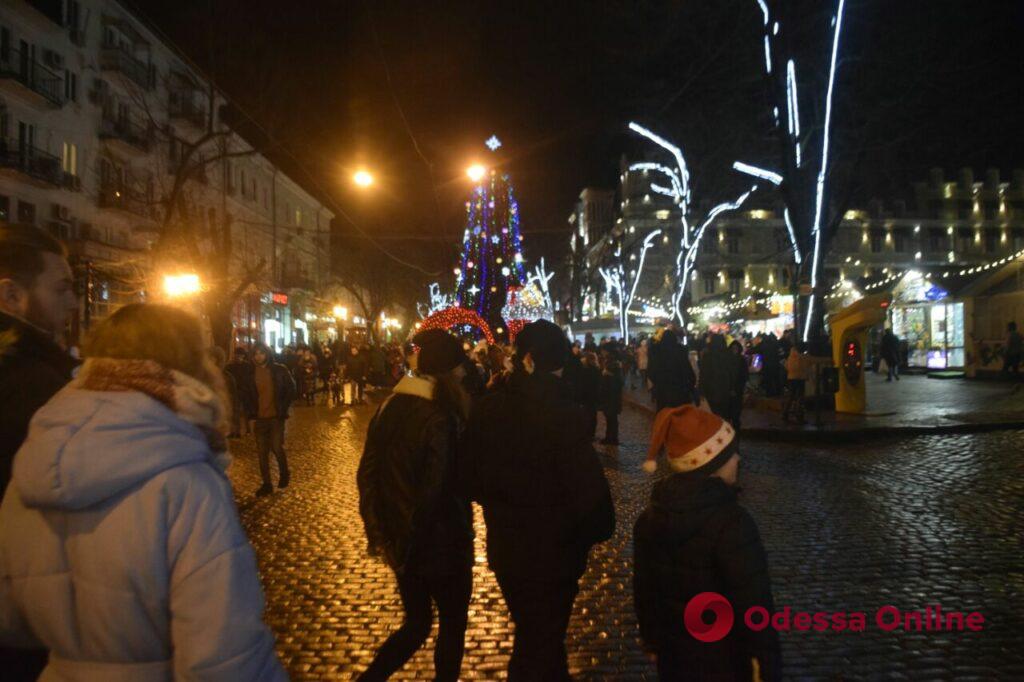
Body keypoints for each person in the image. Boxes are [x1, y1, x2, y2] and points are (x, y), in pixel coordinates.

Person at [0, 303, 286, 680]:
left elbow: (11, 621)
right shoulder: (185, 479)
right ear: (189, 363)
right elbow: (223, 656)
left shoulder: (34, 462)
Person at [460, 320, 615, 680]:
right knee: (541, 642)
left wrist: (503, 498)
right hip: (557, 556)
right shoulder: (565, 416)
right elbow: (592, 499)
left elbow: (466, 478)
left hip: (509, 550)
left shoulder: (488, 409)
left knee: (538, 639)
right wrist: (586, 532)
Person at [357, 330, 474, 681]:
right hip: (440, 543)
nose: (464, 373)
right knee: (451, 627)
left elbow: (368, 475)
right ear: (447, 372)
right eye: (459, 367)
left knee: (418, 624)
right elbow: (435, 490)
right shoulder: (440, 416)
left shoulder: (389, 407)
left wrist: (383, 534)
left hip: (402, 543)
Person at [635, 405, 781, 681]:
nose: (737, 458)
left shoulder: (649, 519)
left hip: (674, 659)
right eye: (730, 454)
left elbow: (645, 590)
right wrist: (765, 661)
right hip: (725, 660)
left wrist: (653, 640)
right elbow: (753, 602)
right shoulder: (733, 523)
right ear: (712, 464)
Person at [0, 224, 78, 679]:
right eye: (61, 288)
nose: (74, 303)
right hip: (24, 622)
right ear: (11, 295)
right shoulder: (32, 385)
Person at [239, 343, 296, 496]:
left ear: (267, 354)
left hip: (276, 417)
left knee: (277, 447)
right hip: (259, 418)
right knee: (262, 453)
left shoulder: (279, 370)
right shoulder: (250, 374)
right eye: (256, 354)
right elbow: (246, 397)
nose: (259, 356)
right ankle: (267, 484)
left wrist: (282, 408)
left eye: (262, 353)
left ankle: (284, 473)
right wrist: (250, 417)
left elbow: (291, 389)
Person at [647, 327, 698, 412]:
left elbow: (651, 371)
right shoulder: (680, 350)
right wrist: (690, 385)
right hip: (680, 391)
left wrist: (658, 382)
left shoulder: (656, 351)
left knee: (665, 417)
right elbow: (687, 370)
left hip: (663, 392)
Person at [698, 333, 738, 420]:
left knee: (713, 414)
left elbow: (703, 374)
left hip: (711, 390)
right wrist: (732, 387)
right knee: (724, 414)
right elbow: (732, 373)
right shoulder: (728, 355)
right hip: (725, 389)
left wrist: (701, 390)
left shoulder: (708, 356)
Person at [225, 347, 253, 437]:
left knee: (246, 412)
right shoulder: (230, 367)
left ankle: (248, 429)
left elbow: (251, 379)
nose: (238, 357)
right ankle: (235, 431)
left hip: (245, 391)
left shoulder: (248, 366)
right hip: (234, 392)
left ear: (243, 356)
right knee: (235, 412)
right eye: (237, 355)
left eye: (240, 355)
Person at [598, 353, 624, 446]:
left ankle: (612, 438)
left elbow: (608, 387)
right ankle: (611, 437)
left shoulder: (610, 373)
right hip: (613, 400)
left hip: (610, 399)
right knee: (611, 420)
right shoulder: (616, 372)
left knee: (611, 420)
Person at [578, 351, 601, 440]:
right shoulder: (596, 370)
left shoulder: (585, 370)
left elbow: (582, 384)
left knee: (588, 415)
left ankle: (588, 433)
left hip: (587, 396)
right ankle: (591, 433)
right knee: (592, 416)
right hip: (593, 396)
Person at [782, 343, 808, 424]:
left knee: (791, 396)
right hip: (800, 378)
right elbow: (813, 360)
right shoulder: (803, 357)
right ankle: (799, 415)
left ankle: (785, 413)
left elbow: (786, 366)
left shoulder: (791, 356)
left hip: (791, 378)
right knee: (800, 397)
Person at [728, 340, 750, 428]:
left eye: (736, 349)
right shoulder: (727, 360)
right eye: (733, 348)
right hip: (729, 389)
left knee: (736, 410)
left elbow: (744, 375)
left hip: (738, 389)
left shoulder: (741, 360)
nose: (734, 350)